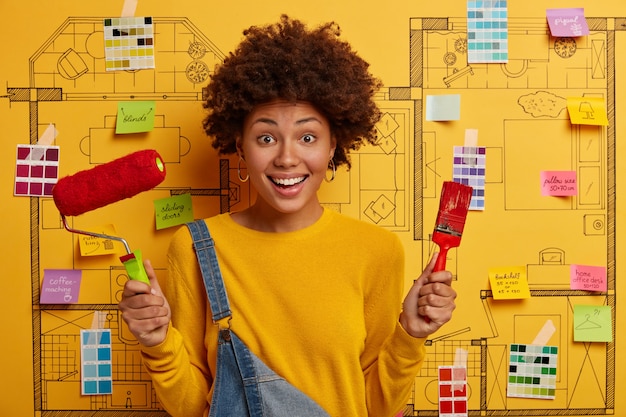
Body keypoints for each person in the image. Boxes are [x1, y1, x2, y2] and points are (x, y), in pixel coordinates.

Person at [119, 15, 456, 417]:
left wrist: (411, 334)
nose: (286, 157)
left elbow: (376, 407)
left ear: (334, 144)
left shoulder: (377, 251)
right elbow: (194, 408)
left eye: (308, 136)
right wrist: (157, 342)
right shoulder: (194, 247)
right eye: (265, 138)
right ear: (240, 148)